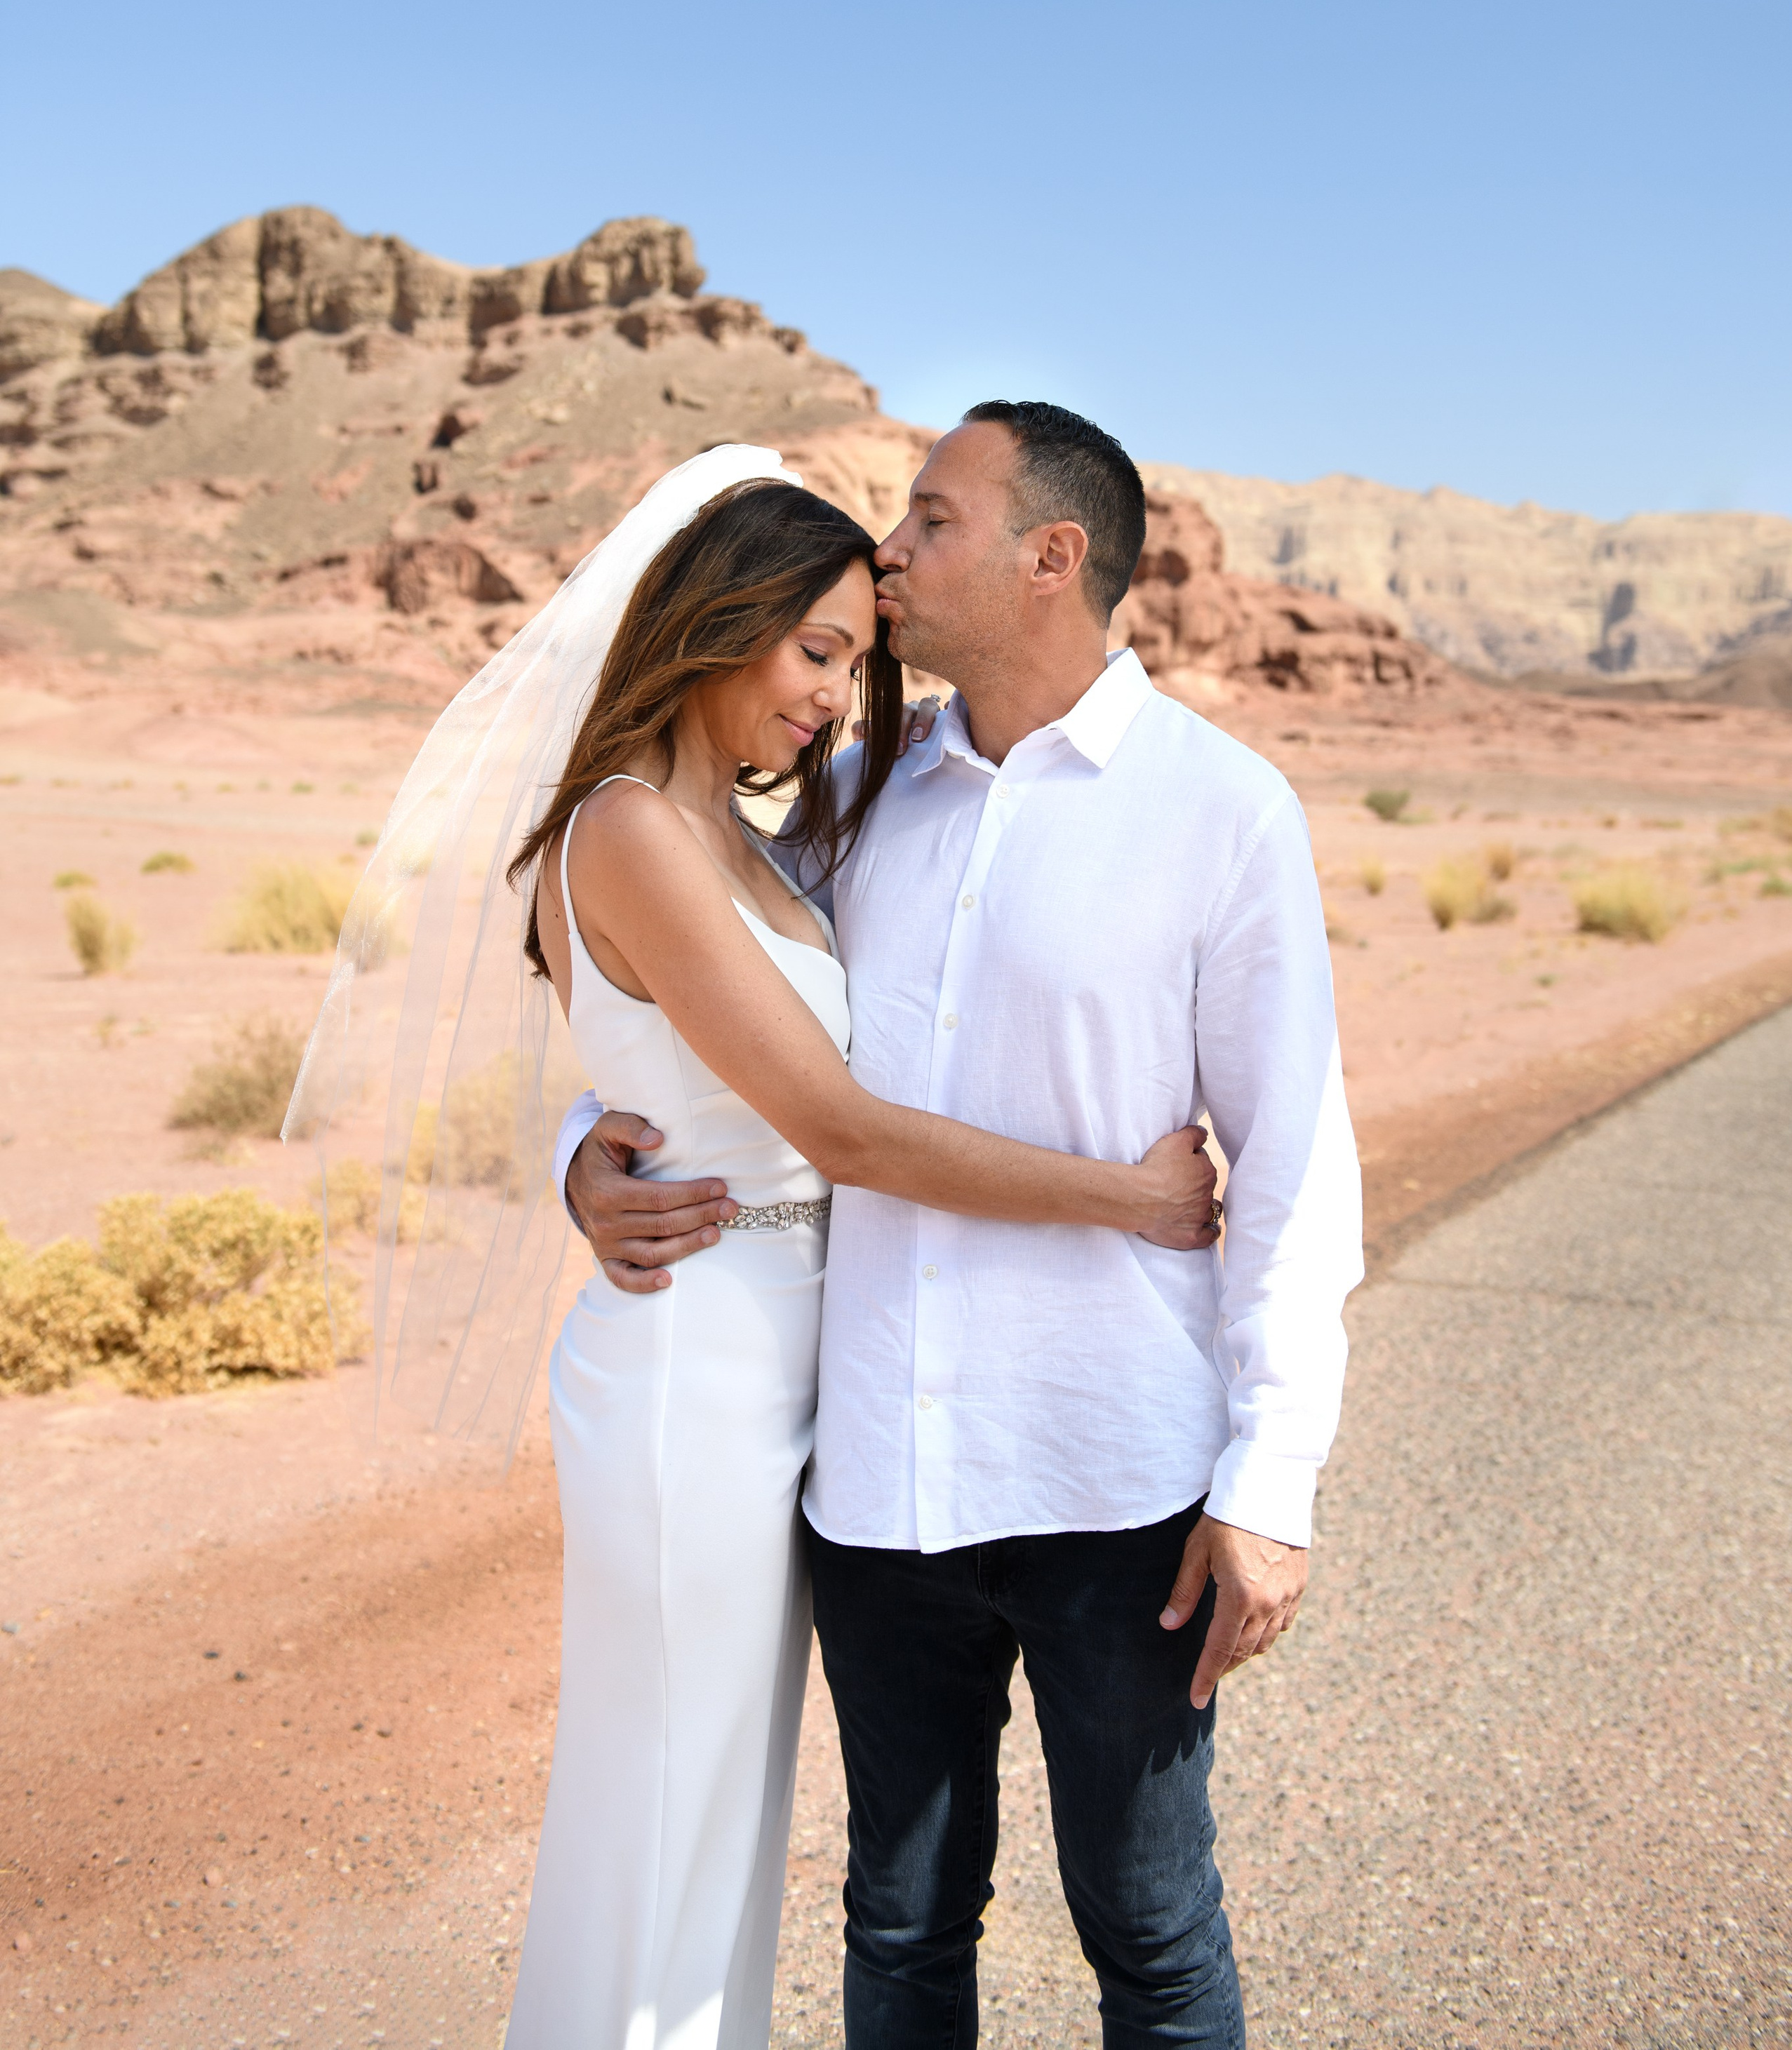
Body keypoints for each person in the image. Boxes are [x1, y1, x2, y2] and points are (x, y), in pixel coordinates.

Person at [563, 401, 1365, 2050]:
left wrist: (1270, 1483)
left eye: (931, 519)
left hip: (1109, 1476)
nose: (891, 549)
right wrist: (589, 1151)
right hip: (875, 1481)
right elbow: (705, 1010)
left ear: (1048, 556)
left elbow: (1292, 1166)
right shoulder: (857, 795)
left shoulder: (1220, 808)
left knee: (1148, 1930)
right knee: (902, 1921)